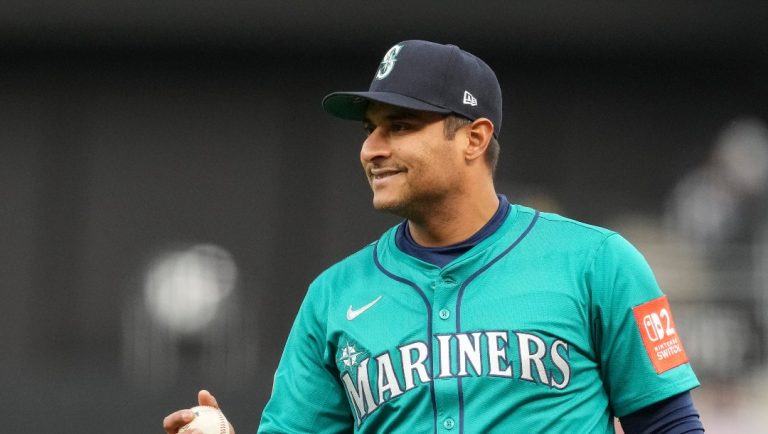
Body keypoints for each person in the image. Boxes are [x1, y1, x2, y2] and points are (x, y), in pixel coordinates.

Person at [164, 40, 704, 433]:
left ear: (473, 137)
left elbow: (669, 426)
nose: (372, 148)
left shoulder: (597, 263)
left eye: (399, 126)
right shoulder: (333, 296)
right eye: (369, 129)